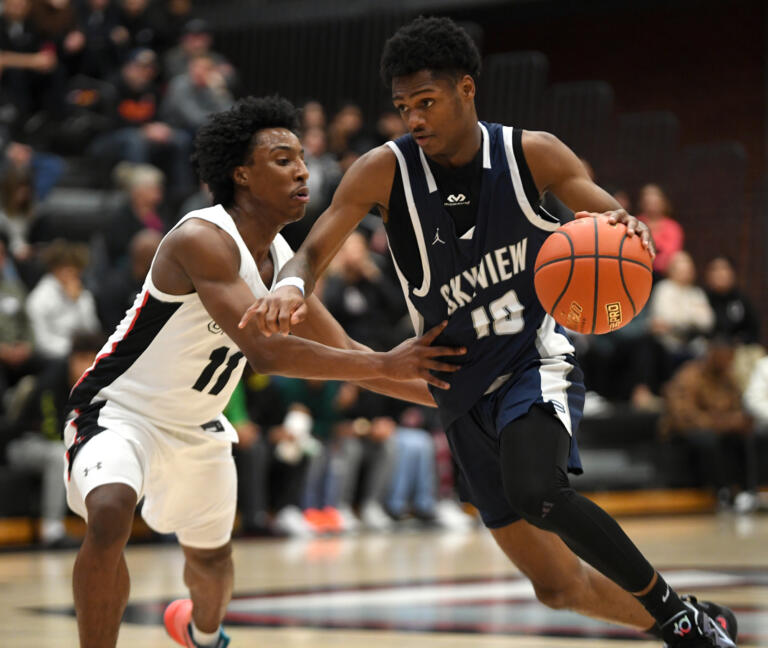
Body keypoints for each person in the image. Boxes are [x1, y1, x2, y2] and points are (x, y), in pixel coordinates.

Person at [243, 17, 738, 648]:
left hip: (532, 363)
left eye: (427, 102)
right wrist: (289, 285)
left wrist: (622, 222)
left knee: (539, 490)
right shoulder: (382, 171)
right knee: (556, 587)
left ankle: (676, 618)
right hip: (457, 391)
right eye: (403, 107)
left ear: (467, 89)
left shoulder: (533, 153)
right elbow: (311, 253)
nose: (414, 119)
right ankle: (694, 620)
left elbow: (600, 206)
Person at [63, 95, 464, 648]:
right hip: (119, 412)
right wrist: (383, 360)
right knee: (109, 514)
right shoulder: (201, 239)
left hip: (199, 426)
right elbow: (268, 353)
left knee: (213, 558)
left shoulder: (281, 256)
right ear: (242, 175)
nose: (302, 169)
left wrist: (459, 402)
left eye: (301, 157)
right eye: (282, 159)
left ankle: (201, 634)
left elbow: (347, 352)